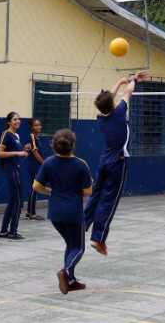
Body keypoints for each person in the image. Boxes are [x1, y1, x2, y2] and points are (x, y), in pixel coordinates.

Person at [84, 70, 148, 255]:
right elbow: (128, 92)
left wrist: (120, 81)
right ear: (113, 104)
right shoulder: (119, 113)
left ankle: (81, 226)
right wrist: (134, 79)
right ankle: (99, 238)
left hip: (104, 162)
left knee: (96, 196)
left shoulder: (102, 118)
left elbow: (111, 98)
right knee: (108, 201)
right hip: (117, 164)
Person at [33, 128, 94, 294]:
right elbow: (88, 191)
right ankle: (66, 272)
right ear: (73, 145)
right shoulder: (80, 165)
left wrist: (50, 191)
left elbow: (36, 186)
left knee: (71, 244)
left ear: (55, 145)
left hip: (55, 213)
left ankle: (71, 281)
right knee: (79, 247)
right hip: (73, 213)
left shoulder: (48, 162)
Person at [0, 112, 29, 239]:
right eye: (15, 119)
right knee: (19, 202)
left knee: (12, 201)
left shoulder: (16, 136)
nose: (18, 121)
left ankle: (3, 231)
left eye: (19, 119)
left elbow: (15, 151)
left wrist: (24, 149)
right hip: (12, 171)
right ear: (9, 122)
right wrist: (18, 153)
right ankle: (13, 232)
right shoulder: (7, 134)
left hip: (17, 170)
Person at [24, 118, 47, 221]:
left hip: (36, 167)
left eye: (39, 125)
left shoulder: (36, 138)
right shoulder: (32, 137)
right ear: (31, 127)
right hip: (34, 167)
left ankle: (29, 212)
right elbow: (35, 153)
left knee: (34, 189)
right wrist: (44, 164)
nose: (38, 127)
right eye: (36, 125)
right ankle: (32, 214)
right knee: (35, 189)